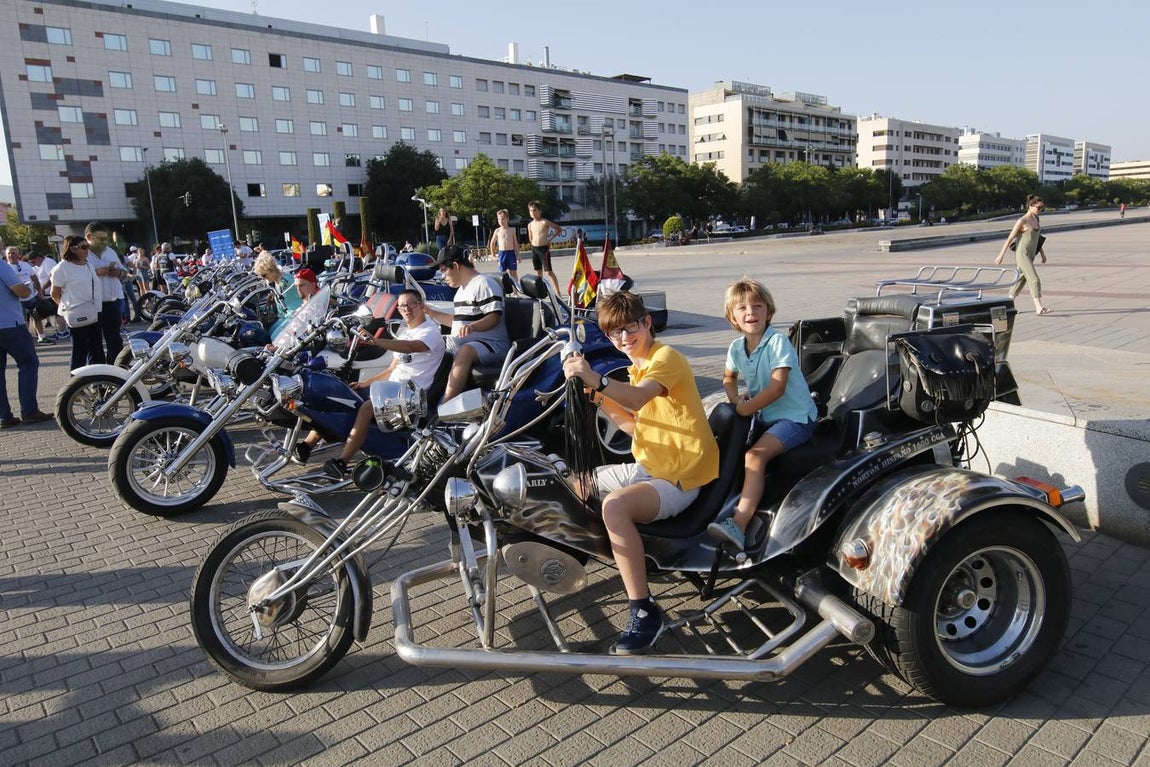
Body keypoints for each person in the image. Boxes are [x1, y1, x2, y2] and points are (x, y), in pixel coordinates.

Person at [562, 291, 718, 654]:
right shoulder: (638, 365)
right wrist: (596, 396)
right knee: (571, 484)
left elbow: (637, 398)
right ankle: (587, 560)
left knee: (615, 506)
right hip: (649, 466)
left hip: (678, 477)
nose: (623, 339)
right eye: (614, 334)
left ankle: (644, 610)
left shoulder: (666, 359)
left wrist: (597, 380)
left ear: (647, 323)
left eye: (629, 328)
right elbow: (634, 425)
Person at [707, 279, 817, 551]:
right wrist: (735, 399)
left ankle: (739, 526)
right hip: (764, 415)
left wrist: (747, 407)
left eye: (757, 306)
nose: (750, 312)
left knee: (753, 457)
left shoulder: (777, 341)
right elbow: (728, 378)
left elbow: (777, 387)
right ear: (732, 317)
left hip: (795, 418)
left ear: (769, 311)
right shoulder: (736, 348)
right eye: (742, 308)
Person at [292, 290, 446, 477]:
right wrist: (366, 383)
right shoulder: (406, 329)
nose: (406, 309)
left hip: (412, 396)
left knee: (366, 408)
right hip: (393, 389)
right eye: (402, 306)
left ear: (421, 305)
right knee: (341, 397)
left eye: (411, 304)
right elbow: (391, 370)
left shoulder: (430, 332)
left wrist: (376, 341)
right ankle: (307, 445)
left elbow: (411, 346)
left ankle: (342, 462)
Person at [425, 245, 509, 403]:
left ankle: (446, 404)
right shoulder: (461, 291)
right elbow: (458, 321)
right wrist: (431, 313)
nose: (442, 276)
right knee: (430, 343)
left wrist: (473, 327)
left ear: (456, 266)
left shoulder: (484, 284)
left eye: (443, 270)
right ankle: (425, 397)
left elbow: (494, 316)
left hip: (493, 345)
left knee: (465, 351)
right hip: (470, 342)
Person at [0, 243, 54, 428]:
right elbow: (20, 290)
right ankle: (29, 410)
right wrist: (26, 289)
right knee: (28, 363)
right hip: (9, 324)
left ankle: (3, 415)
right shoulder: (2, 266)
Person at [51, 235, 106, 369]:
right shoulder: (62, 268)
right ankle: (77, 385)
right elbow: (54, 293)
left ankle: (98, 381)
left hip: (94, 312)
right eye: (83, 247)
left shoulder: (88, 264)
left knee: (97, 349)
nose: (87, 250)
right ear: (73, 249)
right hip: (76, 314)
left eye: (87, 247)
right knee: (79, 350)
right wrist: (66, 309)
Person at [996, 195, 1051, 315]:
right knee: (1034, 279)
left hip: (1031, 254)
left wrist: (1042, 254)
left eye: (1042, 207)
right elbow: (1010, 238)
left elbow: (1036, 239)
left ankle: (1007, 305)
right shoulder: (1022, 221)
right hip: (1022, 254)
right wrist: (1001, 255)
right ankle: (1039, 307)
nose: (1040, 210)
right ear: (1030, 206)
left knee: (1020, 280)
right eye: (1038, 207)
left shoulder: (1036, 219)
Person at [85, 222, 126, 361]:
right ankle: (97, 373)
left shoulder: (110, 251)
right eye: (100, 238)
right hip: (92, 303)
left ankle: (115, 369)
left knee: (115, 339)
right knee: (94, 342)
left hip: (112, 301)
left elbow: (124, 273)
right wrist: (95, 272)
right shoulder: (83, 253)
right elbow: (76, 277)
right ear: (89, 237)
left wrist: (118, 272)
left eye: (105, 238)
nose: (104, 242)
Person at [4, 246, 49, 345]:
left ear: (19, 254)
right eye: (9, 254)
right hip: (17, 299)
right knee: (23, 320)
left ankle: (41, 337)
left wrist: (40, 292)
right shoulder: (5, 268)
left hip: (31, 296)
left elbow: (35, 279)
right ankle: (24, 339)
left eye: (13, 253)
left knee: (37, 316)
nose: (11, 255)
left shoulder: (25, 265)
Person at [526, 201, 563, 295]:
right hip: (535, 249)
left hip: (543, 249)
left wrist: (549, 239)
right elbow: (530, 238)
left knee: (549, 272)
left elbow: (558, 229)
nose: (533, 212)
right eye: (531, 211)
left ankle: (558, 293)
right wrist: (533, 243)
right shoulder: (530, 225)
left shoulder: (544, 222)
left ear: (539, 211)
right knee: (538, 272)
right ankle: (540, 291)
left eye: (535, 210)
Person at [27, 251, 60, 342]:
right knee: (36, 314)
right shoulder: (37, 266)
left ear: (38, 258)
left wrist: (42, 288)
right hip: (41, 294)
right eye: (31, 263)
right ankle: (39, 334)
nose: (33, 264)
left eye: (33, 262)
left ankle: (62, 331)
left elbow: (52, 278)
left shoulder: (48, 263)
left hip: (51, 292)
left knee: (58, 312)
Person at [488, 209, 519, 282]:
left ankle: (516, 291)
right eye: (499, 219)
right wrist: (492, 254)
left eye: (503, 219)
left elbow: (515, 243)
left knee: (513, 273)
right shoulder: (497, 231)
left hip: (511, 253)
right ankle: (504, 291)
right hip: (502, 253)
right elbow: (492, 243)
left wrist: (518, 254)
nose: (501, 221)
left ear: (507, 219)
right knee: (502, 274)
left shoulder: (512, 230)